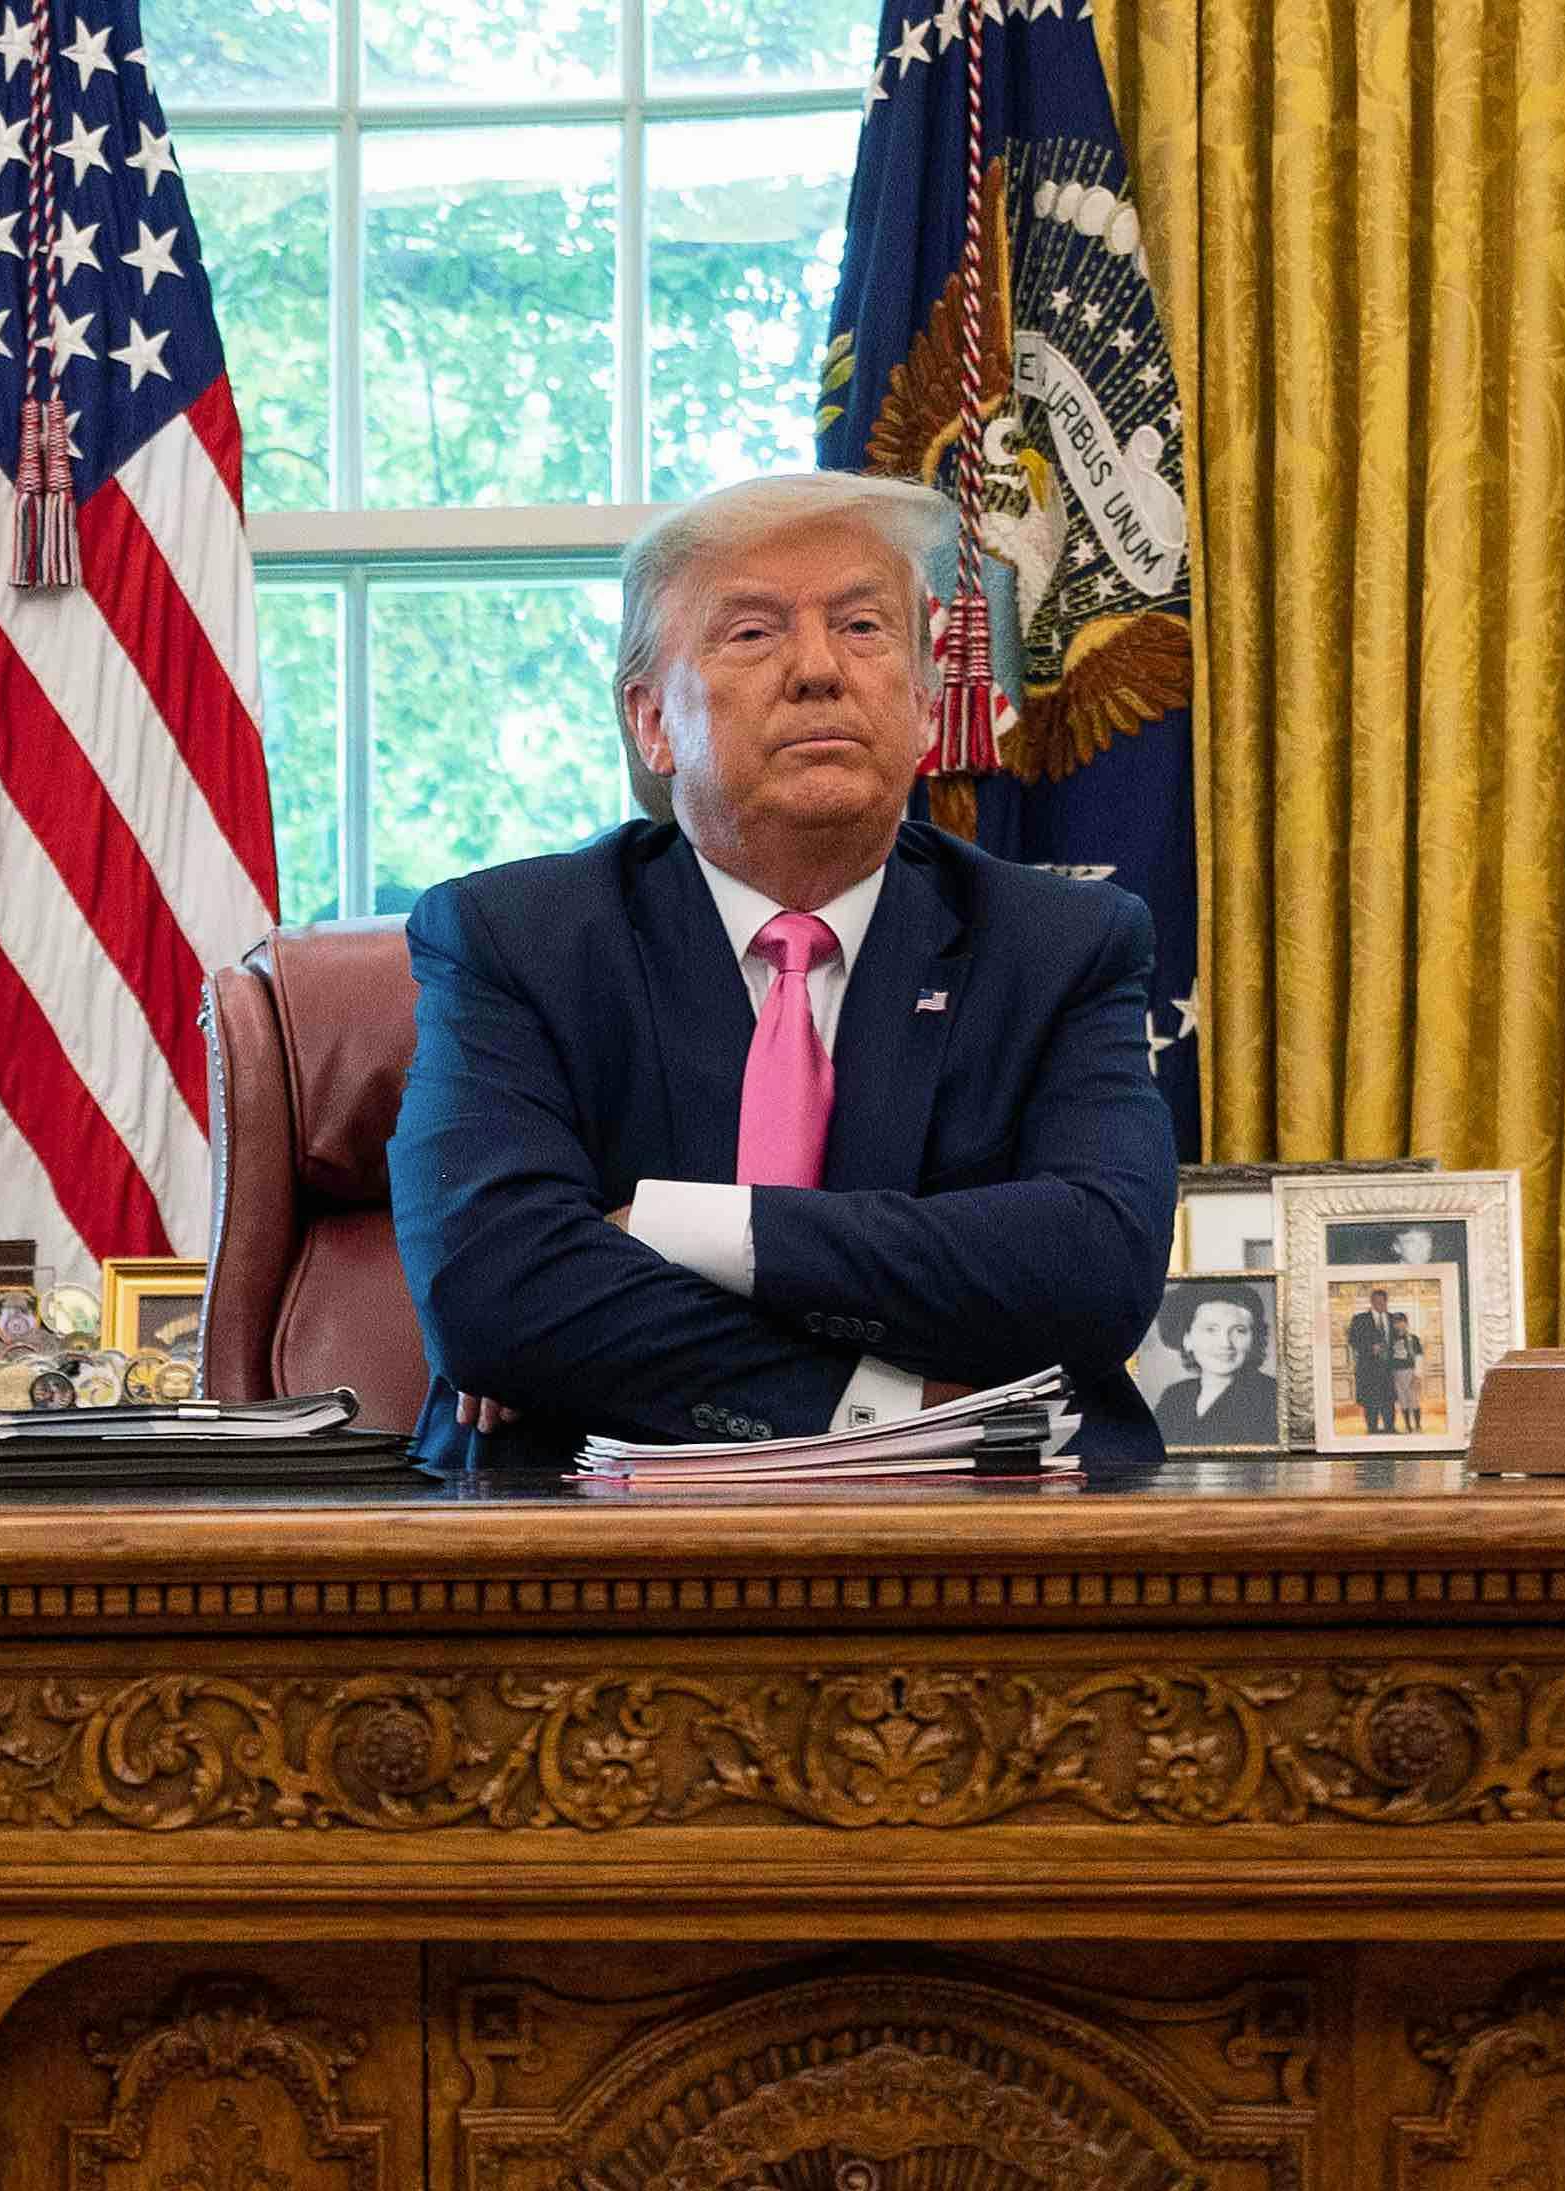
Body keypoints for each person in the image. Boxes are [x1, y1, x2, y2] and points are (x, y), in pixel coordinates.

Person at [385, 470, 1178, 1474]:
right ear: (652, 721)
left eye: (862, 627)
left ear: (928, 705)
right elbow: (495, 1292)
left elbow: (1094, 1266)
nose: (818, 669)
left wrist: (682, 1224)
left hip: (986, 1563)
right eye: (753, 632)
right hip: (580, 1563)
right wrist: (888, 1408)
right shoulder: (515, 938)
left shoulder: (1061, 946)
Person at [1156, 1285, 1278, 1447]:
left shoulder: (1271, 1396)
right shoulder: (1174, 1398)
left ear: (1254, 1339)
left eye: (1239, 1331)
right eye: (1211, 1330)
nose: (1225, 1343)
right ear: (1187, 1339)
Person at [1344, 1290, 1412, 1433]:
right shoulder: (1360, 1319)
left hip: (1389, 1369)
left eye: (1382, 1302)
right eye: (1376, 1302)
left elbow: (1403, 1339)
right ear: (1371, 1302)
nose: (1379, 1304)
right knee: (1370, 1402)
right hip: (1368, 1368)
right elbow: (1352, 1340)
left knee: (1389, 1401)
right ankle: (1372, 1429)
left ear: (1386, 1302)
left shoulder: (1394, 1318)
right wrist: (1369, 1348)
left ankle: (1390, 1428)